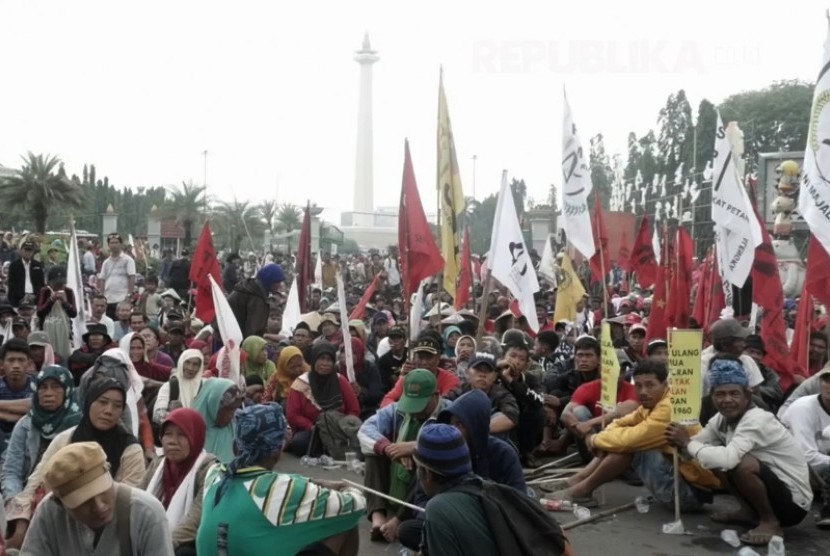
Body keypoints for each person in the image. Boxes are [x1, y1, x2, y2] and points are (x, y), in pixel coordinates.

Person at [666, 358, 812, 546]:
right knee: (713, 456)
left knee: (741, 462)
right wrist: (680, 443)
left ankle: (770, 522)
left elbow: (726, 459)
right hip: (774, 489)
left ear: (747, 396)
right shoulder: (721, 418)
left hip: (793, 505)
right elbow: (699, 444)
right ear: (712, 397)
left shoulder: (756, 419)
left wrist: (686, 443)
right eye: (720, 394)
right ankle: (748, 512)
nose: (727, 400)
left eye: (734, 393)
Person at [548, 360, 719, 510]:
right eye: (638, 385)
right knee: (621, 440)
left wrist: (593, 439)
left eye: (650, 385)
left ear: (665, 385)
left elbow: (630, 439)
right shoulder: (651, 404)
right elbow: (622, 422)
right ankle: (579, 482)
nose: (643, 391)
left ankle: (581, 490)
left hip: (688, 495)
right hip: (677, 482)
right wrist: (601, 438)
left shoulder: (670, 407)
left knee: (629, 446)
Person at [197, 403, 364, 555]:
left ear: (235, 447)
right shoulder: (278, 488)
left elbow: (276, 483)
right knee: (343, 520)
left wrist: (312, 483)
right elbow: (356, 505)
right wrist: (346, 488)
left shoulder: (214, 473)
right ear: (278, 451)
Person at [5, 377, 146, 549]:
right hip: (62, 520)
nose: (108, 410)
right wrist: (21, 528)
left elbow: (126, 500)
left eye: (117, 406)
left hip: (110, 530)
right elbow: (36, 482)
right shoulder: (66, 439)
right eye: (102, 402)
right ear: (88, 402)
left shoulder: (130, 449)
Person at [19, 442, 174, 556]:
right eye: (84, 502)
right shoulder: (49, 512)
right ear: (60, 503)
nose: (99, 506)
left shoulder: (147, 513)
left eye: (103, 491)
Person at [357, 369, 450, 543]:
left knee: (427, 462)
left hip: (427, 483)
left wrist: (416, 448)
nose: (414, 410)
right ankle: (378, 517)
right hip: (398, 467)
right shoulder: (396, 410)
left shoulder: (448, 413)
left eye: (421, 403)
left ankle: (398, 520)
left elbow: (454, 445)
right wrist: (390, 449)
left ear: (435, 395)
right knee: (373, 453)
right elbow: (365, 430)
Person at [142, 408, 216, 555]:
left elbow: (194, 522)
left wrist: (158, 548)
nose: (172, 442)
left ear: (195, 437)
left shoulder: (209, 469)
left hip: (184, 543)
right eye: (168, 434)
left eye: (182, 435)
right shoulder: (159, 464)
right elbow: (138, 498)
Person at [1, 365, 81, 500]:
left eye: (56, 387)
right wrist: (16, 501)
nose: (48, 393)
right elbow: (11, 472)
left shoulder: (78, 425)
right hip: (23, 495)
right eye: (43, 387)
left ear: (67, 390)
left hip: (65, 499)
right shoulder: (25, 425)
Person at [285, 343, 360, 456]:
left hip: (338, 430)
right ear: (314, 360)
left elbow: (354, 409)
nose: (325, 363)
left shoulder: (340, 381)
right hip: (312, 430)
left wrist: (344, 426)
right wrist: (310, 426)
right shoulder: (301, 383)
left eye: (329, 360)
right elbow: (293, 415)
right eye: (321, 358)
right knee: (299, 443)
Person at [381, 332, 459, 407]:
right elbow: (387, 400)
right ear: (414, 358)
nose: (424, 362)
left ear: (438, 358)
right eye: (420, 357)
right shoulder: (407, 378)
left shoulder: (450, 379)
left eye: (429, 357)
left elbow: (445, 404)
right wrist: (400, 409)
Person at [227, 262, 285, 338]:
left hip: (225, 332)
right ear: (269, 280)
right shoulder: (256, 296)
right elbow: (253, 331)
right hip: (229, 337)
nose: (279, 285)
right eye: (277, 282)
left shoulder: (250, 287)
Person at [191, 378, 242, 464]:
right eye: (227, 410)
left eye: (234, 410)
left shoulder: (235, 430)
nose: (231, 415)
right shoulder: (189, 430)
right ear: (213, 404)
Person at [35, 266, 77, 363]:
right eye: (56, 283)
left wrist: (65, 302)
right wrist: (51, 300)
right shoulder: (44, 291)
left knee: (65, 357)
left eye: (61, 283)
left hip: (64, 331)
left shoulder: (69, 292)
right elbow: (40, 312)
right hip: (47, 331)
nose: (59, 286)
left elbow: (73, 313)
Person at [153, 348, 205, 424]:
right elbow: (158, 414)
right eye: (187, 362)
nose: (190, 368)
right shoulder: (170, 386)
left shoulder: (205, 385)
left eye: (195, 364)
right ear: (181, 362)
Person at [98, 233, 136, 319]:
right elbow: (102, 279)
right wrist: (102, 296)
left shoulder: (128, 260)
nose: (114, 245)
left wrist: (129, 295)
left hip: (122, 298)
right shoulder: (106, 262)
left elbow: (132, 277)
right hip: (108, 298)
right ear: (108, 245)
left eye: (116, 242)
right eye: (111, 243)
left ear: (121, 244)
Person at [7, 240, 45, 308]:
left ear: (33, 252)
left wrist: (37, 295)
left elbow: (41, 283)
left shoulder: (38, 265)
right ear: (21, 251)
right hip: (18, 298)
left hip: (35, 297)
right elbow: (11, 284)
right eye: (26, 250)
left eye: (30, 250)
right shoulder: (14, 265)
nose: (28, 252)